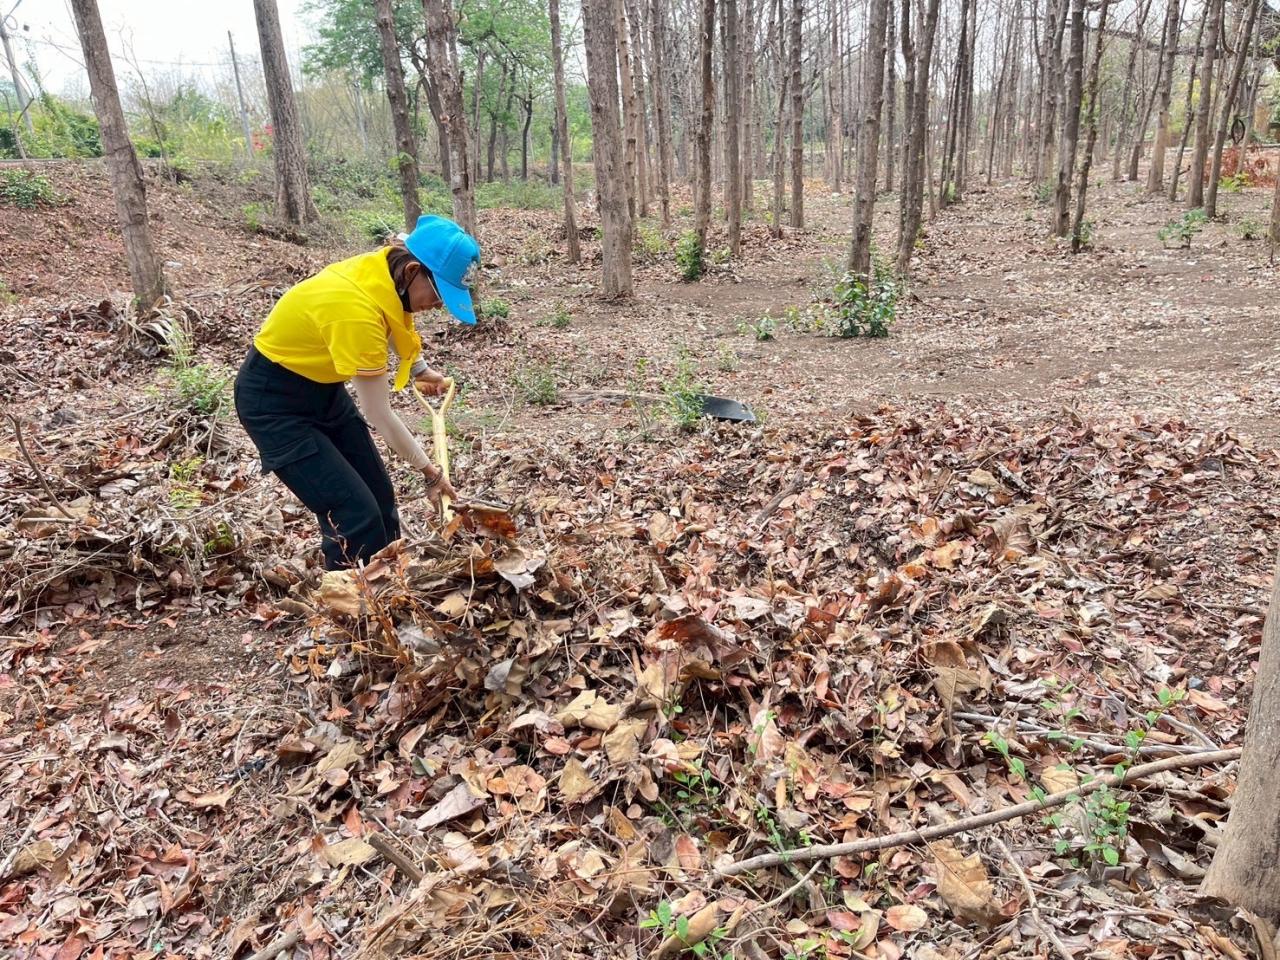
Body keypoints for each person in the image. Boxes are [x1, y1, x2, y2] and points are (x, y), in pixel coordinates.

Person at [234, 215, 480, 570]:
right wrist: (431, 473)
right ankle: (352, 611)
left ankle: (389, 589)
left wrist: (420, 368)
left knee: (380, 498)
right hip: (273, 404)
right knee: (354, 512)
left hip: (322, 390)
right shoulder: (354, 312)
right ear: (413, 270)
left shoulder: (384, 270)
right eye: (440, 292)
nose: (440, 305)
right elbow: (379, 414)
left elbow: (393, 317)